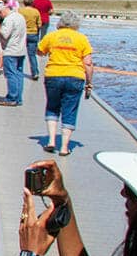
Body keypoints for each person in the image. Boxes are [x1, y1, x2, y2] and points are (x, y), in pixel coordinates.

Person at [37, 10, 94, 155]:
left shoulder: (52, 36)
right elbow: (88, 63)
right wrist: (89, 83)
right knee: (70, 110)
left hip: (53, 75)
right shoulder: (81, 38)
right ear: (76, 24)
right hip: (75, 77)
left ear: (61, 23)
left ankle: (51, 141)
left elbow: (39, 51)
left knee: (52, 107)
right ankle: (64, 147)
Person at [0, 0, 28, 105]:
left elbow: (4, 35)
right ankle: (18, 98)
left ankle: (12, 98)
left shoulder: (8, 20)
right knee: (19, 74)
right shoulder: (20, 16)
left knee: (11, 74)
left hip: (11, 50)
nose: (0, 17)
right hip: (21, 50)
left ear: (1, 11)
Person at [20, 0, 43, 80]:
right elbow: (39, 24)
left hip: (22, 34)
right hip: (33, 34)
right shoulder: (36, 11)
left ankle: (18, 70)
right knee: (32, 55)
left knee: (19, 53)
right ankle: (35, 72)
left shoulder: (20, 11)